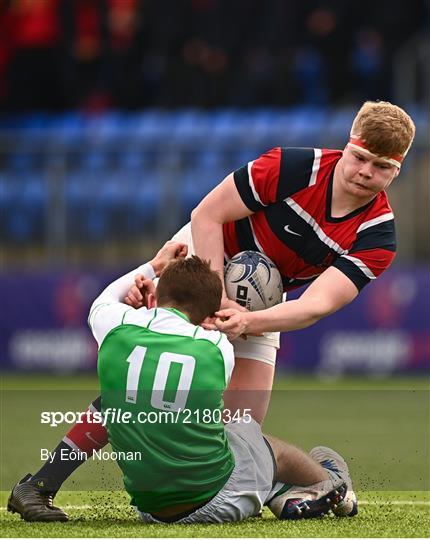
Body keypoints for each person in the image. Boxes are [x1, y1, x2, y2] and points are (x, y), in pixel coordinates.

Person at [9, 242, 351, 524]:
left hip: (150, 510)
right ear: (208, 317)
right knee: (247, 432)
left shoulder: (116, 326)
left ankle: (40, 484)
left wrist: (153, 267)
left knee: (114, 402)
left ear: (157, 297)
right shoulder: (217, 348)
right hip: (218, 501)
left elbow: (103, 301)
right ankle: (329, 482)